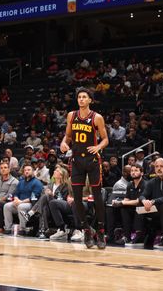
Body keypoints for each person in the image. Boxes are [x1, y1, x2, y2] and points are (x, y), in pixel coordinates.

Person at [59, 87, 109, 249]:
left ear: (90, 100)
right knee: (77, 199)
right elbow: (68, 136)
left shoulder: (97, 117)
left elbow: (105, 139)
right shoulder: (71, 116)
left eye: (84, 97)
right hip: (76, 161)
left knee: (97, 196)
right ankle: (86, 229)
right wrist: (63, 143)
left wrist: (98, 147)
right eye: (79, 97)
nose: (81, 99)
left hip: (92, 160)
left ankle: (100, 231)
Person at [136, 158, 163, 250]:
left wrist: (152, 201)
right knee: (139, 206)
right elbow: (142, 195)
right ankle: (139, 235)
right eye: (156, 166)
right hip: (155, 210)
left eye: (162, 166)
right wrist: (144, 201)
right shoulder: (151, 182)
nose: (159, 169)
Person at [32, 166, 71, 240]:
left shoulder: (65, 186)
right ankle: (43, 230)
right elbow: (42, 196)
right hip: (47, 206)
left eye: (57, 171)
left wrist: (52, 195)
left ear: (61, 175)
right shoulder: (51, 184)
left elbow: (62, 200)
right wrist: (46, 192)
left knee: (46, 197)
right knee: (44, 208)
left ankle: (32, 212)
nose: (54, 172)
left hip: (58, 207)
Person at [3, 164, 43, 234]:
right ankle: (8, 228)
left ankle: (22, 229)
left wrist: (21, 202)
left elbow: (34, 198)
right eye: (25, 170)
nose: (26, 171)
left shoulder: (37, 183)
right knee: (7, 206)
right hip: (19, 202)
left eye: (28, 170)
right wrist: (15, 199)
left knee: (21, 207)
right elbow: (16, 193)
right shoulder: (21, 182)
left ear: (33, 171)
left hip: (31, 204)